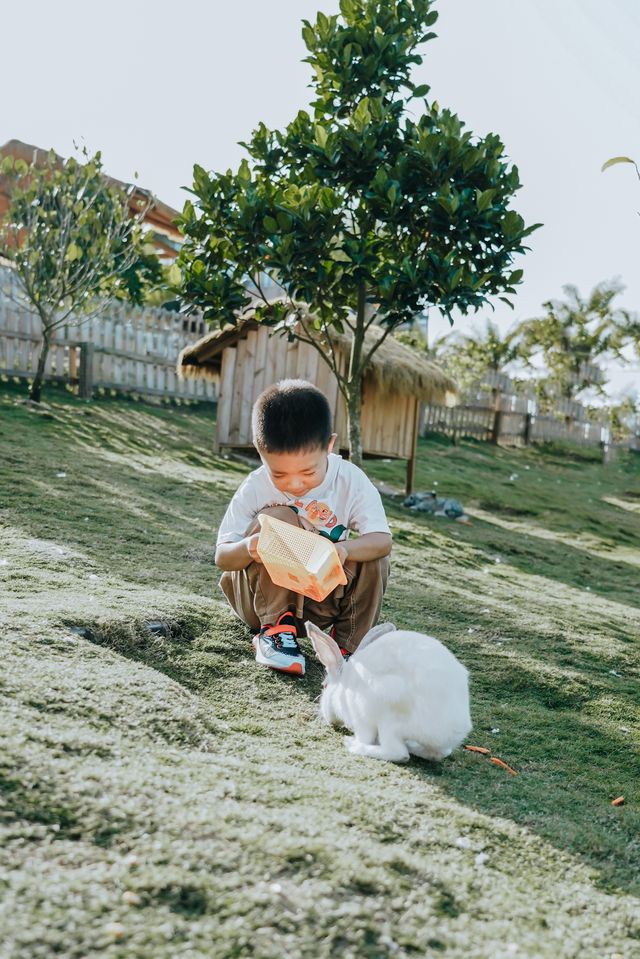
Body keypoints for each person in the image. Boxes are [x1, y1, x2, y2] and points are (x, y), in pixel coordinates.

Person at [215, 379, 392, 676]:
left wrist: (344, 550)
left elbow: (382, 541)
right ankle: (275, 632)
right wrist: (250, 548)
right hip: (259, 602)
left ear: (329, 446)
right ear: (261, 453)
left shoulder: (350, 479)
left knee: (372, 554)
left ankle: (348, 649)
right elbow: (222, 557)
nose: (295, 485)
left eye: (308, 472)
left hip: (318, 603)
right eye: (280, 474)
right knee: (278, 516)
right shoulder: (256, 485)